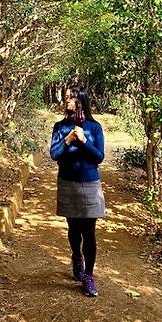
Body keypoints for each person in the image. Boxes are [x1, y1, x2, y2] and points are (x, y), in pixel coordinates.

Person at [49, 87, 105, 297]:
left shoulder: (94, 127)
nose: (66, 100)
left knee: (89, 232)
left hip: (90, 184)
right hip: (67, 183)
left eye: (70, 97)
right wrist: (68, 140)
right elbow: (54, 154)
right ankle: (76, 256)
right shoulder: (60, 127)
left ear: (81, 100)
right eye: (65, 97)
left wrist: (84, 140)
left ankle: (89, 276)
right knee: (73, 228)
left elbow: (99, 157)